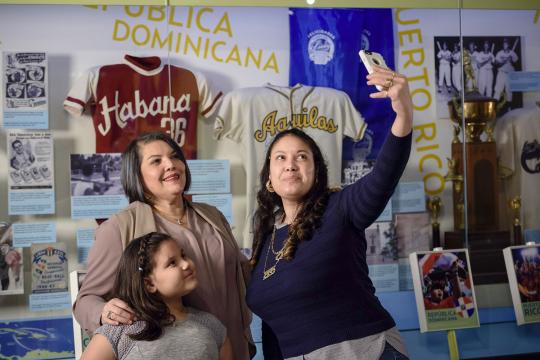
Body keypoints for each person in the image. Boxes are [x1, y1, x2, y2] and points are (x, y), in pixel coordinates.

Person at [246, 65, 413, 359]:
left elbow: (383, 175)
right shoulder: (265, 239)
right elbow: (273, 326)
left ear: (317, 172)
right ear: (269, 179)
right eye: (280, 158)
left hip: (366, 351)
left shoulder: (341, 208)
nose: (290, 164)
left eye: (302, 156)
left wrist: (403, 115)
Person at [73, 132, 254, 359]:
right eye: (156, 161)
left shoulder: (212, 215)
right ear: (137, 175)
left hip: (230, 343)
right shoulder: (119, 227)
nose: (170, 165)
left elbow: (241, 271)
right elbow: (86, 300)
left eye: (175, 156)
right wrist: (104, 311)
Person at [81, 232, 233, 360]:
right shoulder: (120, 332)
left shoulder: (213, 326)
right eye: (172, 263)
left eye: (183, 256)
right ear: (149, 284)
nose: (186, 264)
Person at [493, 38, 518, 102]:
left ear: (508, 45)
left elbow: (517, 64)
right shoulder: (499, 53)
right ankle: (494, 107)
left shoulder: (513, 53)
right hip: (501, 73)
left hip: (510, 74)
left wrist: (511, 60)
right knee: (498, 90)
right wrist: (505, 61)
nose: (504, 45)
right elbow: (496, 64)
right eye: (503, 43)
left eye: (506, 43)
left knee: (509, 91)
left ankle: (509, 108)